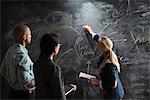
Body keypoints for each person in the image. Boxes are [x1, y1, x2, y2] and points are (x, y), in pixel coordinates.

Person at [83, 25, 124, 100]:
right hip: (115, 93)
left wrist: (98, 82)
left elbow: (112, 83)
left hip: (113, 95)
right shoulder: (110, 50)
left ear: (101, 48)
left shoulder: (109, 65)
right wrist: (91, 32)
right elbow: (100, 40)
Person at [33, 33, 76, 100]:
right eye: (58, 45)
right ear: (54, 48)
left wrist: (65, 87)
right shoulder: (53, 68)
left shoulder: (36, 64)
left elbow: (47, 87)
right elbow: (59, 94)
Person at [0, 24, 35, 99]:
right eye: (29, 34)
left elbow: (3, 70)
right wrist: (40, 81)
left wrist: (14, 84)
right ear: (24, 37)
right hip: (24, 96)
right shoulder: (21, 55)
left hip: (12, 93)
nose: (31, 36)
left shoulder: (10, 50)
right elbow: (26, 82)